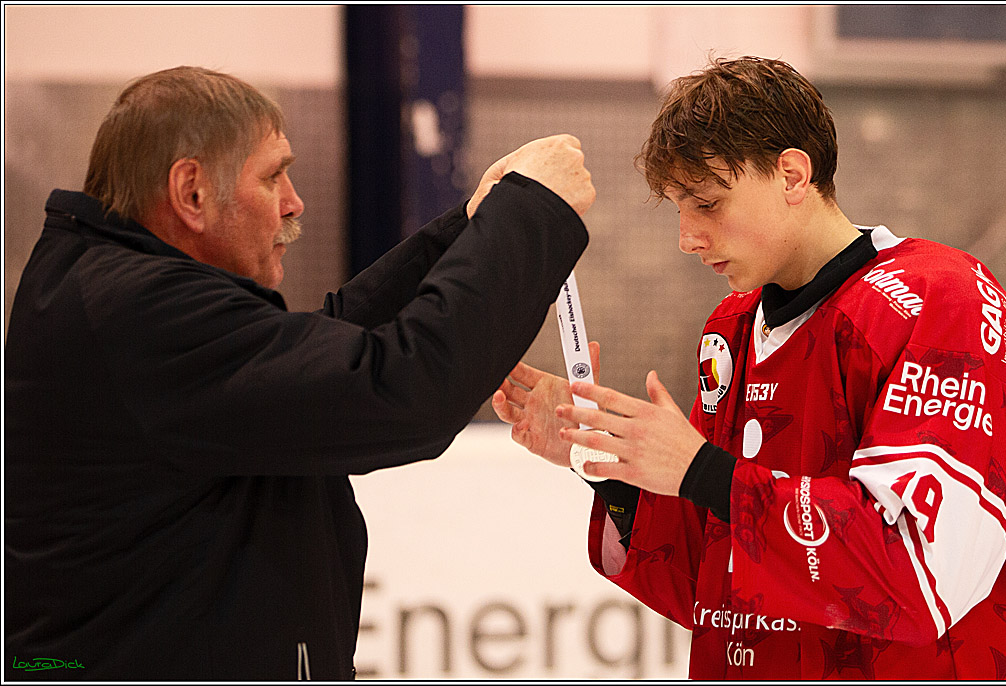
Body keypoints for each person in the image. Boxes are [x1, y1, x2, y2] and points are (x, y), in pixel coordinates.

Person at [4, 65, 595, 681]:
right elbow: (400, 390)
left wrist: (472, 226)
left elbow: (327, 354)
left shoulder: (117, 290)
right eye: (272, 176)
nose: (294, 202)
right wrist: (533, 215)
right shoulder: (140, 310)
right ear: (192, 192)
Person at [492, 56, 1006, 680]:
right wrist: (616, 473)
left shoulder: (941, 299)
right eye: (679, 208)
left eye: (708, 203)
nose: (687, 236)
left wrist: (703, 471)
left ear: (792, 174)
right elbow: (713, 591)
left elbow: (920, 573)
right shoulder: (732, 328)